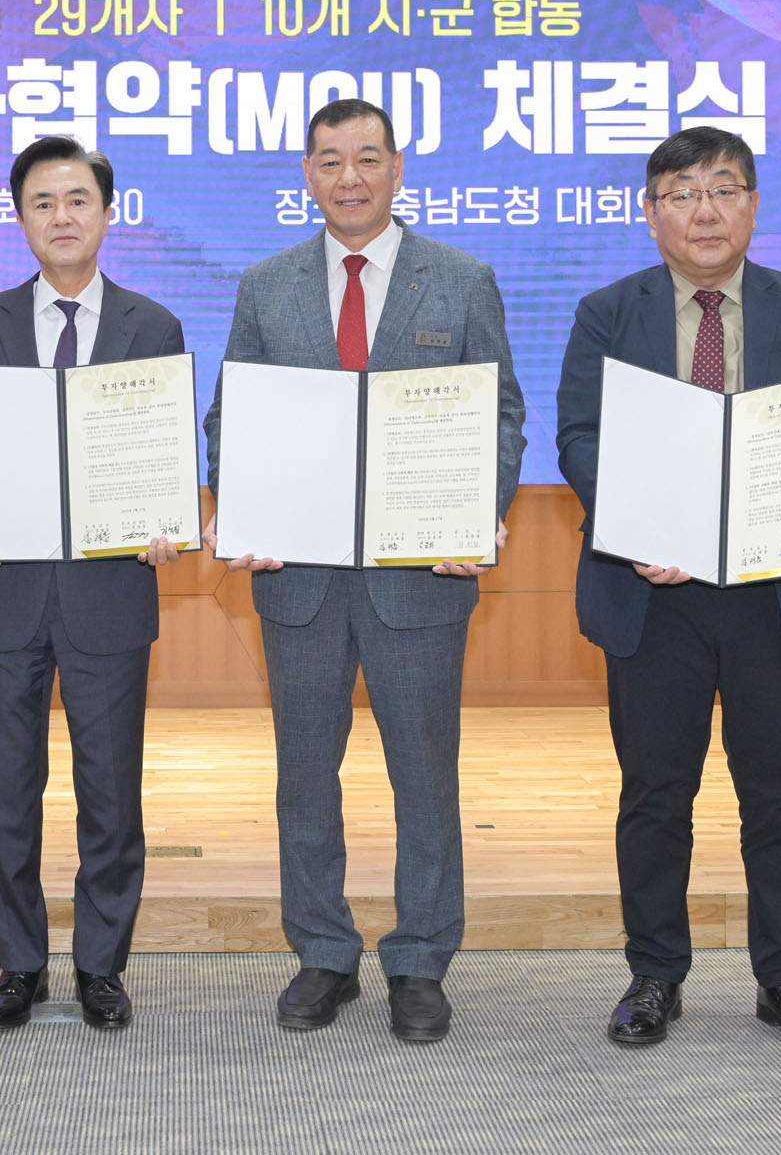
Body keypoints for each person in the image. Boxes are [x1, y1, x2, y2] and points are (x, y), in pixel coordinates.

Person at [202, 98, 526, 1044]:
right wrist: (242, 506)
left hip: (419, 574)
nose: (350, 177)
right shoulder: (266, 285)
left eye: (368, 158)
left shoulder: (460, 280)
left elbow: (500, 414)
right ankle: (323, 952)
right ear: (308, 174)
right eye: (331, 160)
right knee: (306, 776)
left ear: (397, 168)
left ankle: (420, 959)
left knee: (423, 774)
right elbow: (233, 417)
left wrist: (478, 513)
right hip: (298, 576)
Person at [555, 125, 781, 1054]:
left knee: (780, 794)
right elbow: (580, 436)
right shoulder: (607, 312)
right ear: (650, 212)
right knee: (656, 795)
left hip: (776, 590)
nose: (705, 211)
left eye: (724, 190)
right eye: (683, 193)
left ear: (754, 206)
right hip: (655, 591)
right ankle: (655, 974)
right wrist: (636, 525)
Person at [0, 136, 185, 1032]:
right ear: (19, 219)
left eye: (78, 199)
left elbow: (165, 452)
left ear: (107, 213)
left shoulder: (153, 326)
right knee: (6, 795)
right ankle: (18, 965)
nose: (62, 217)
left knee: (110, 794)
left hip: (110, 592)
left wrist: (165, 518)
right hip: (7, 591)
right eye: (42, 202)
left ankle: (99, 966)